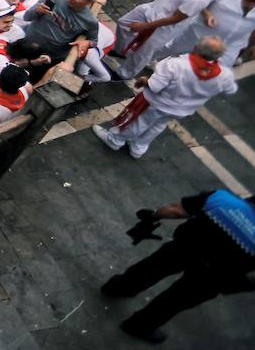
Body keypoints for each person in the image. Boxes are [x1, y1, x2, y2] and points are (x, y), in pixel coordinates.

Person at [100, 188, 255, 342]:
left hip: (185, 246)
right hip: (215, 274)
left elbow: (176, 210)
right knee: (175, 300)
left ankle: (116, 288)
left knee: (152, 268)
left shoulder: (222, 199)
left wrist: (152, 216)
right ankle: (138, 325)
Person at [93, 37, 238, 158]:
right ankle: (138, 147)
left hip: (157, 103)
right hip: (182, 109)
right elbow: (230, 90)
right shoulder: (224, 75)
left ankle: (115, 140)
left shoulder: (175, 65)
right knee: (158, 126)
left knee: (138, 122)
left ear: (196, 48)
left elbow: (155, 86)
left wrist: (145, 80)